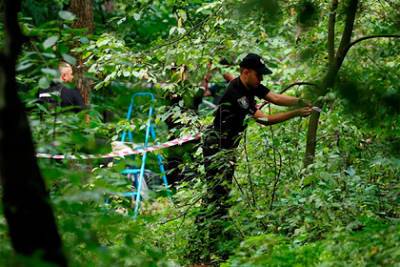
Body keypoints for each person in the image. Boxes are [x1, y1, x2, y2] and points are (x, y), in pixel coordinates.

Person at [193, 53, 313, 262]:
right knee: (217, 195)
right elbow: (264, 119)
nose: (262, 80)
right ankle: (208, 248)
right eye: (259, 75)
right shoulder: (238, 93)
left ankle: (212, 244)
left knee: (220, 194)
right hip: (217, 146)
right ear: (246, 72)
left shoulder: (251, 85)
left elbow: (275, 97)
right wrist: (296, 113)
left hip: (228, 147)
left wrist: (300, 100)